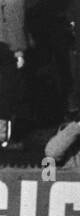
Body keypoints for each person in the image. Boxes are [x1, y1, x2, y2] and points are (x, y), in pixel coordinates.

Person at [0, 0, 25, 148]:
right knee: (6, 92)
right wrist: (19, 51)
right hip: (5, 47)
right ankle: (3, 136)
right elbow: (15, 21)